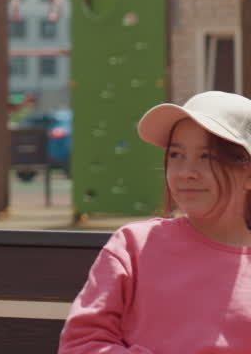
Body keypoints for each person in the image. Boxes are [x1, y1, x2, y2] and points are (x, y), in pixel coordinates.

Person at [59, 90, 251, 353]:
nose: (186, 173)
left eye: (207, 156)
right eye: (176, 155)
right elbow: (80, 344)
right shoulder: (133, 246)